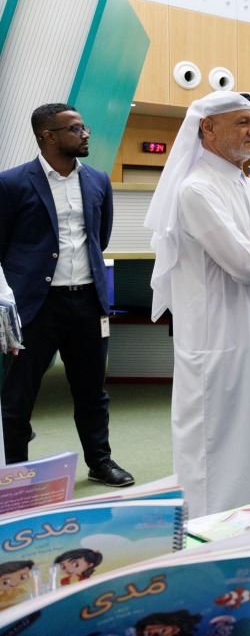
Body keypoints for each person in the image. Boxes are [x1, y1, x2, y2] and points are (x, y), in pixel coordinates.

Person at [144, 90, 250, 518]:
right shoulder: (196, 189)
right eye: (243, 122)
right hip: (216, 340)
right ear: (208, 128)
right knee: (215, 447)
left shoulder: (244, 184)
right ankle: (211, 535)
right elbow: (246, 266)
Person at [0, 103, 132, 487]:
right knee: (18, 394)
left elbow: (99, 237)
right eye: (75, 129)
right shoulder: (11, 184)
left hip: (89, 303)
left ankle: (100, 461)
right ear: (48, 136)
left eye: (83, 126)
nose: (85, 133)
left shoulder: (97, 180)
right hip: (35, 307)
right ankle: (15, 472)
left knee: (92, 391)